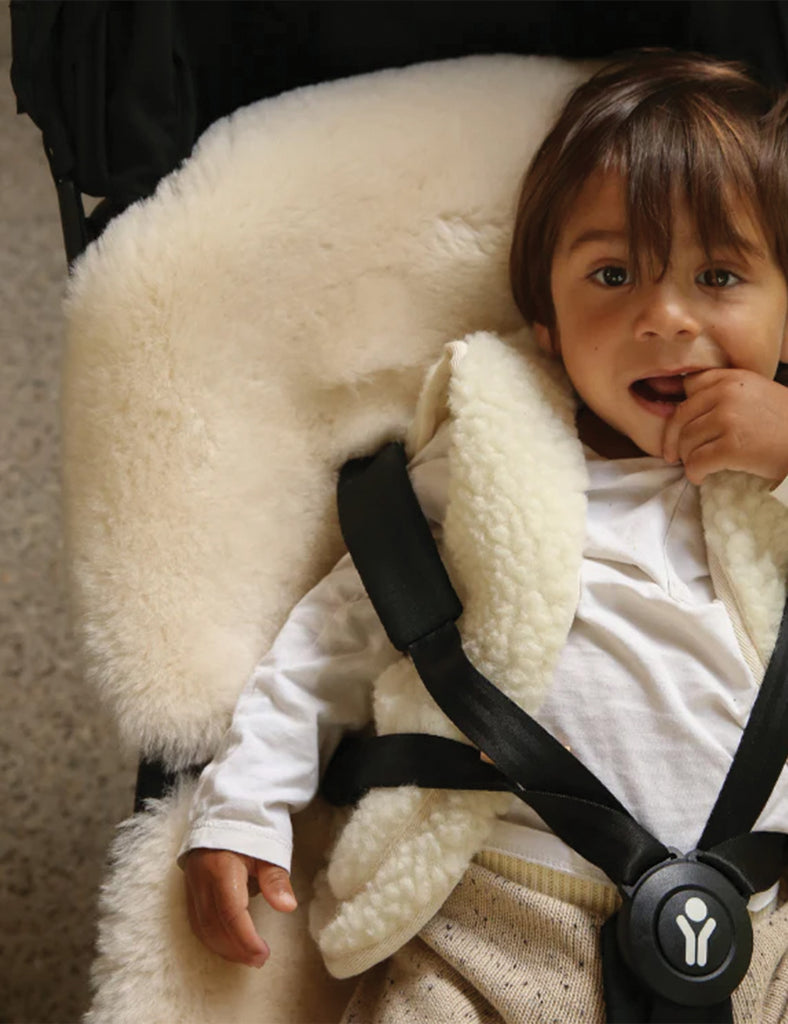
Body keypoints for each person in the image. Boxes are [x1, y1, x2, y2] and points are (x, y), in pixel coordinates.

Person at [179, 50, 788, 1021]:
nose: (663, 317)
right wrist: (246, 803)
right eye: (610, 273)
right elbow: (336, 631)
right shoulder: (491, 457)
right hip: (499, 909)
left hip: (745, 927)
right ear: (544, 318)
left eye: (717, 274)